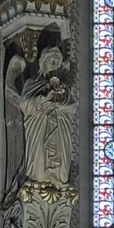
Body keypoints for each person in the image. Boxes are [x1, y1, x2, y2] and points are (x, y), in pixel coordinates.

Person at [19, 46, 77, 193]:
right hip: (39, 129)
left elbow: (72, 107)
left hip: (59, 130)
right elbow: (25, 105)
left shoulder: (64, 88)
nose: (54, 63)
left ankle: (57, 179)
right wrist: (44, 99)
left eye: (57, 61)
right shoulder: (32, 83)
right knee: (38, 172)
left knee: (61, 172)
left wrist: (58, 104)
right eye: (51, 60)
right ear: (42, 62)